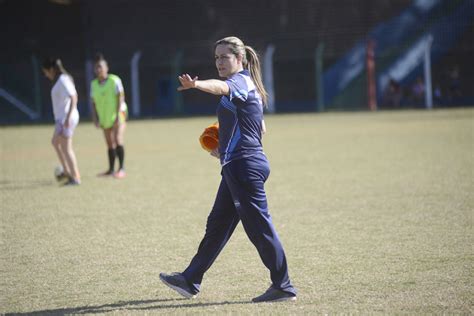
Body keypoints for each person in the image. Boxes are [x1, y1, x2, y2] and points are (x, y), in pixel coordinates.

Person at [159, 36, 297, 303]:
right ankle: (190, 279)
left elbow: (220, 87)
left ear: (240, 59)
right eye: (216, 57)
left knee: (258, 227)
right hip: (238, 164)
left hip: (244, 167)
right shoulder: (248, 86)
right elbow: (260, 129)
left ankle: (284, 285)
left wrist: (196, 84)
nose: (219, 61)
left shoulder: (239, 82)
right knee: (218, 224)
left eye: (224, 57)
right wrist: (225, 149)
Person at [42, 58, 81, 186]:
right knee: (55, 143)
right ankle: (68, 173)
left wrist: (68, 118)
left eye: (46, 72)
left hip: (66, 119)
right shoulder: (59, 80)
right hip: (61, 119)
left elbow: (74, 96)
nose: (46, 75)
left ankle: (75, 177)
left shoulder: (63, 79)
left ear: (52, 69)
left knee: (66, 148)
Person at [90, 53, 127, 178]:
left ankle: (121, 169)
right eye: (96, 67)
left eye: (101, 66)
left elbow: (120, 97)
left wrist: (117, 115)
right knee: (109, 143)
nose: (98, 69)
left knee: (117, 139)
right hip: (105, 116)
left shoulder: (114, 80)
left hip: (118, 114)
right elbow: (93, 103)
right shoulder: (94, 84)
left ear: (107, 68)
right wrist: (95, 118)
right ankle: (111, 169)